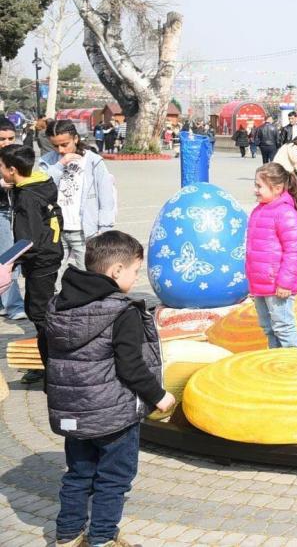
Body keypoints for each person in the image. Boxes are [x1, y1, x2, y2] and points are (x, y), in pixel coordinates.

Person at [46, 230, 175, 547]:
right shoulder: (122, 310)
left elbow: (47, 353)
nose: (136, 278)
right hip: (113, 417)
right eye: (135, 271)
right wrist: (158, 396)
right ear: (117, 270)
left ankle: (67, 535)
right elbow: (130, 365)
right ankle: (102, 538)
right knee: (113, 478)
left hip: (74, 413)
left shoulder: (58, 305)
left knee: (78, 473)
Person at [0, 144, 63, 384]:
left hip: (41, 259)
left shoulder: (26, 197)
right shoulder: (40, 183)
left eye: (1, 167)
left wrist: (7, 262)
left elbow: (29, 241)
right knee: (35, 308)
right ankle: (44, 360)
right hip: (48, 253)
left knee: (40, 312)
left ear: (12, 170)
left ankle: (53, 367)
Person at [40, 120, 117, 283]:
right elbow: (42, 187)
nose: (61, 150)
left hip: (84, 230)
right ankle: (55, 298)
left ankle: (88, 299)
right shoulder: (48, 161)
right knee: (53, 272)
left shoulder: (93, 161)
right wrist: (60, 164)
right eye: (55, 146)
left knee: (87, 272)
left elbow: (106, 196)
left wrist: (105, 227)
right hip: (56, 228)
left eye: (64, 144)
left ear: (75, 138)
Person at [246, 163, 297, 348]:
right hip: (261, 284)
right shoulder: (260, 210)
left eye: (259, 186)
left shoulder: (286, 213)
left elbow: (295, 251)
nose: (255, 190)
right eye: (255, 185)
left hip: (277, 285)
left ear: (277, 188)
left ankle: (294, 361)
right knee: (268, 327)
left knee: (283, 327)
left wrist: (285, 283)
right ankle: (276, 359)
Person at [0, 121, 26, 321]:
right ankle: (14, 305)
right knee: (7, 258)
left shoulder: (17, 156)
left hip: (13, 212)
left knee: (9, 256)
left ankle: (7, 303)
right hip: (2, 212)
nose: (6, 142)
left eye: (11, 138)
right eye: (2, 139)